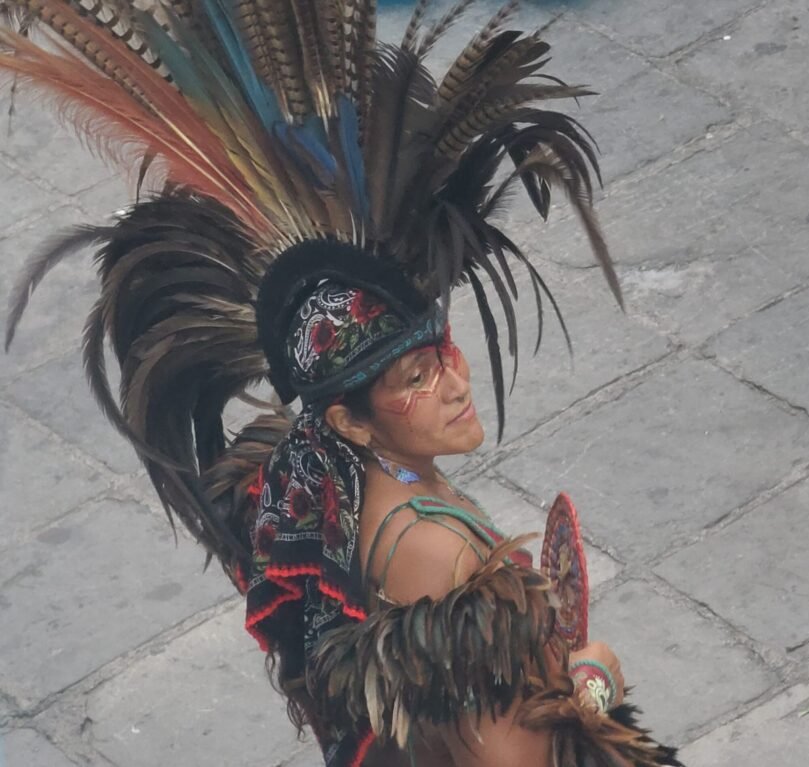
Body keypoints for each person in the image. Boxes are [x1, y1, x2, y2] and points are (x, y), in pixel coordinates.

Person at [2, 1, 679, 765]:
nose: (456, 384)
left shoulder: (338, 484)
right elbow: (507, 755)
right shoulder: (434, 549)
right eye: (416, 376)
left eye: (445, 354)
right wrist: (594, 680)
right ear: (351, 421)